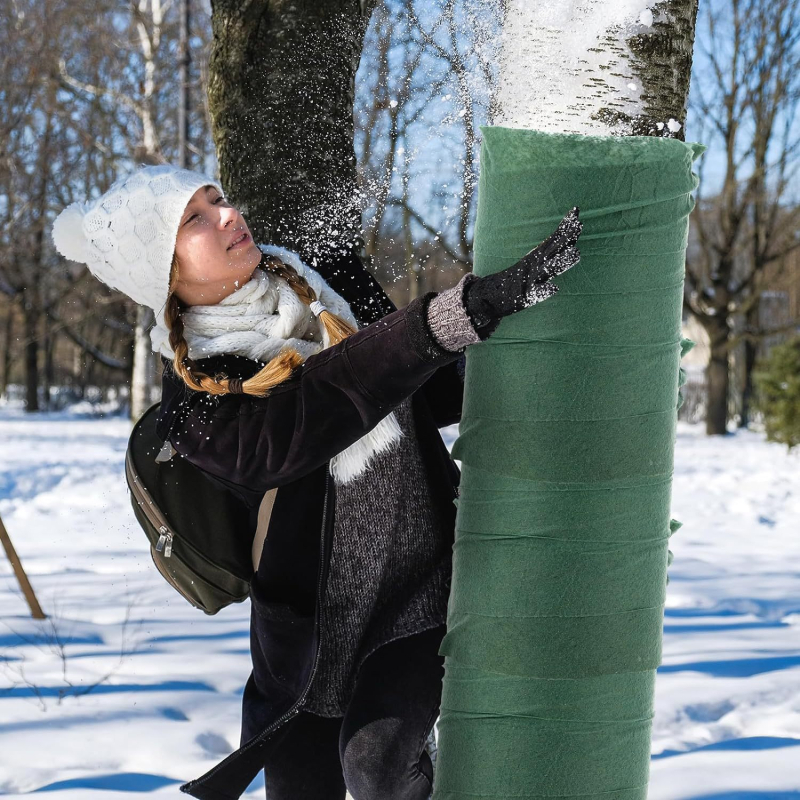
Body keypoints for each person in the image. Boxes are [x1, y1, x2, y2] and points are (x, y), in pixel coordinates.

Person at [51, 164, 582, 800]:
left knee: (378, 767)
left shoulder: (326, 284)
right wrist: (455, 314)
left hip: (424, 589)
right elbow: (302, 424)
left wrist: (522, 330)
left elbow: (425, 391)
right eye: (194, 218)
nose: (227, 215)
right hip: (310, 643)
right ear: (164, 275)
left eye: (219, 198)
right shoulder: (195, 405)